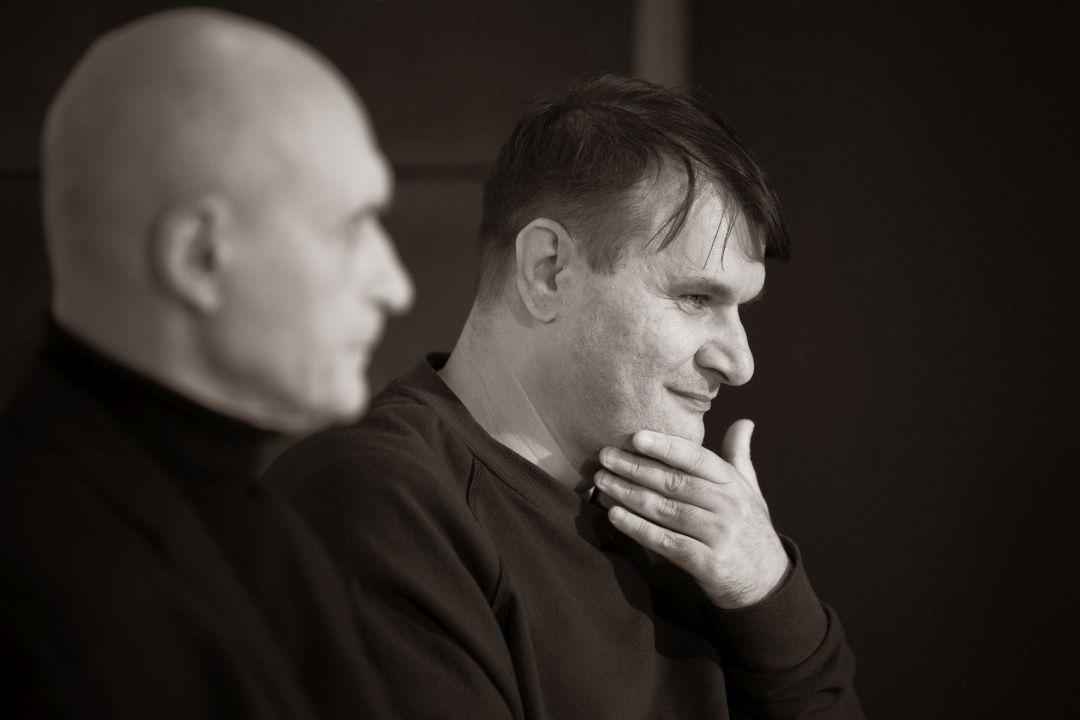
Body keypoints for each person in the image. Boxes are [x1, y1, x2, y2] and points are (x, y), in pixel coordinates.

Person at [265, 74, 864, 719]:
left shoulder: (700, 539)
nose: (740, 364)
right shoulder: (378, 505)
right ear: (548, 270)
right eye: (696, 297)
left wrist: (768, 597)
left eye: (740, 308)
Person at [0, 7, 412, 718]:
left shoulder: (250, 517)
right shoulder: (49, 591)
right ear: (199, 258)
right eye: (351, 227)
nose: (395, 287)